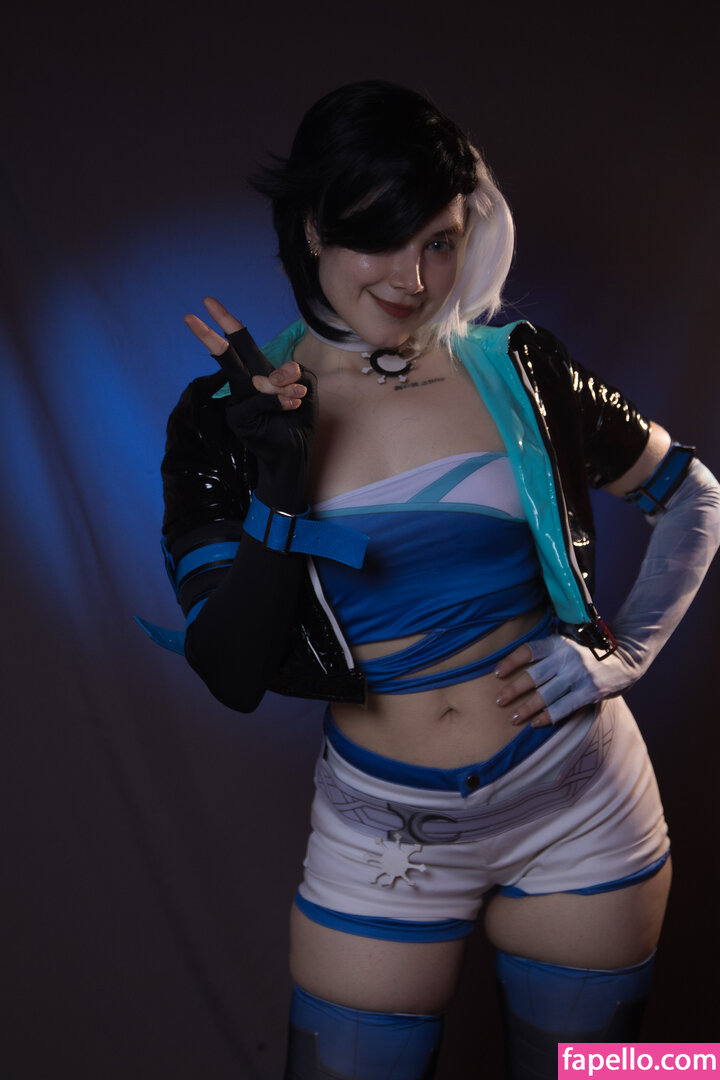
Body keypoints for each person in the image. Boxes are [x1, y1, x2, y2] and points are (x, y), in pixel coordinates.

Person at [152, 82, 720, 1079]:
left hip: (584, 804)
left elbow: (692, 495)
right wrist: (279, 484)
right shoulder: (223, 418)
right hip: (384, 837)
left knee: (611, 1074)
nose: (414, 279)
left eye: (442, 242)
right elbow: (230, 672)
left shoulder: (520, 370)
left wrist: (620, 649)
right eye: (381, 238)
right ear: (314, 227)